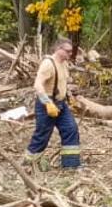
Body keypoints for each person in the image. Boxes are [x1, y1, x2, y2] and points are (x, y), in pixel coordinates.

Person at [26, 39, 83, 169]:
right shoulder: (48, 64)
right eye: (67, 51)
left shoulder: (64, 64)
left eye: (71, 51)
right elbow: (37, 84)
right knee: (43, 134)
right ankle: (30, 162)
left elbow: (62, 83)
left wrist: (70, 98)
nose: (70, 54)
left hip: (60, 104)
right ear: (58, 49)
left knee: (71, 129)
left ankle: (71, 164)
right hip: (47, 104)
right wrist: (47, 103)